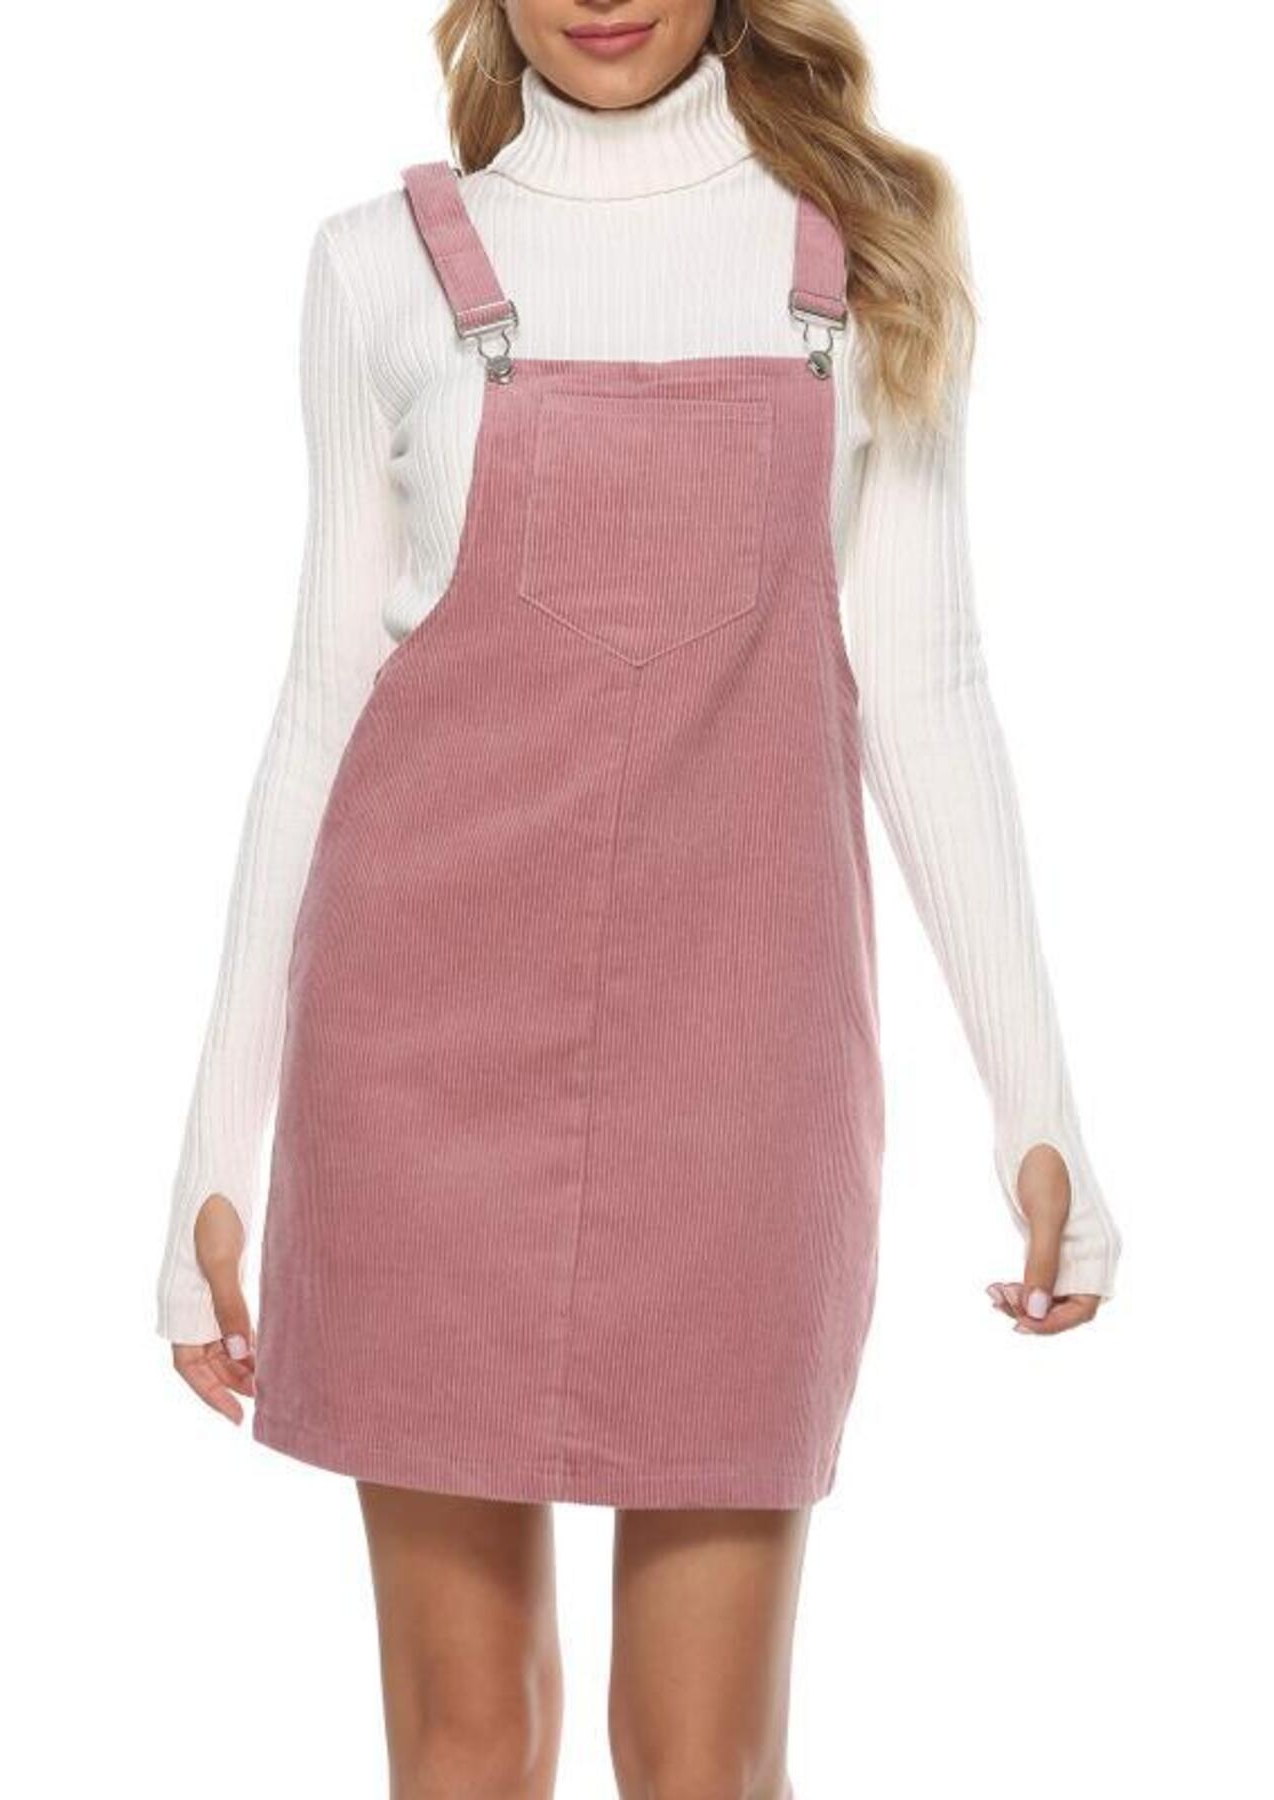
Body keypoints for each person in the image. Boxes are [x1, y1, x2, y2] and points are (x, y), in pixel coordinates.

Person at [158, 3, 1122, 1793]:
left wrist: (1037, 1110)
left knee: (702, 1763)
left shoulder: (858, 254)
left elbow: (928, 686)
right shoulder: (379, 267)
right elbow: (320, 701)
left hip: (741, 1068)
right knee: (462, 1747)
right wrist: (215, 1152)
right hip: (414, 1061)